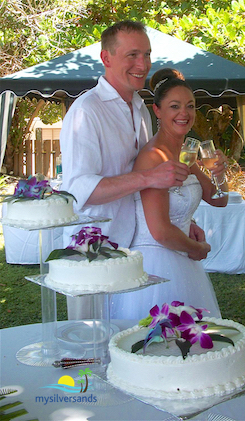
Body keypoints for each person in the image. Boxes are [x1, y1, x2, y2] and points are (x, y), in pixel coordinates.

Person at [59, 21, 206, 319]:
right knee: (92, 346)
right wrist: (149, 178)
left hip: (133, 249)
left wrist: (177, 220)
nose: (143, 64)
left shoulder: (139, 106)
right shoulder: (87, 111)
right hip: (94, 250)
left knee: (128, 341)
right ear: (106, 58)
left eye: (147, 54)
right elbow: (78, 190)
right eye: (132, 55)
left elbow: (143, 181)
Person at [111, 69, 228, 320]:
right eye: (174, 106)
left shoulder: (187, 154)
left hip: (183, 258)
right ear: (157, 111)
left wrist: (219, 173)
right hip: (157, 261)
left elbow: (219, 200)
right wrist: (196, 249)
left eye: (190, 106)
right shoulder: (153, 156)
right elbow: (160, 230)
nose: (184, 113)